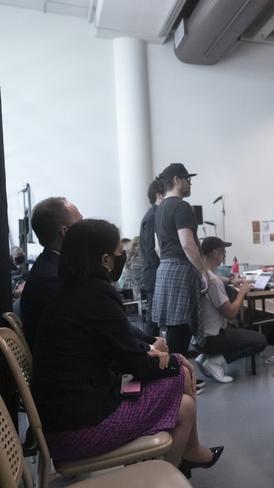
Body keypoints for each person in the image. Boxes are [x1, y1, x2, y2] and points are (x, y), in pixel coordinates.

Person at [30, 219, 221, 476]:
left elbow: (117, 349)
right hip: (79, 430)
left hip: (64, 421)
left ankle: (178, 460)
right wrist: (175, 359)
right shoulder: (97, 293)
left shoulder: (70, 291)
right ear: (106, 260)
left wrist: (149, 354)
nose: (124, 258)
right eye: (120, 254)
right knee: (181, 386)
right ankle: (165, 474)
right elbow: (137, 363)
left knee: (179, 389)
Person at [152, 163, 218, 355]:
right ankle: (177, 378)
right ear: (176, 180)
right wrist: (202, 270)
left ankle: (177, 376)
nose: (190, 184)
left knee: (174, 327)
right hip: (181, 267)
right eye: (187, 179)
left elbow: (157, 247)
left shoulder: (160, 208)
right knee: (181, 327)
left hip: (164, 267)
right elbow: (188, 244)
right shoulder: (181, 206)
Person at [197, 237, 267, 383]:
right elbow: (230, 313)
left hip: (199, 338)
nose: (225, 255)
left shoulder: (201, 275)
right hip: (213, 338)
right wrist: (242, 292)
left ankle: (204, 357)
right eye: (223, 252)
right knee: (259, 341)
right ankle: (214, 361)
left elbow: (216, 279)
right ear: (215, 253)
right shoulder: (214, 282)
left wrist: (231, 281)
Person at [20, 197, 82, 348]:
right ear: (65, 232)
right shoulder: (53, 278)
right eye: (81, 223)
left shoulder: (52, 266)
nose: (87, 229)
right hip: (65, 367)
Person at [140, 178, 164, 336]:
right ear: (158, 195)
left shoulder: (155, 214)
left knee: (155, 318)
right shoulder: (153, 216)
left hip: (155, 273)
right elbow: (151, 250)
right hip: (154, 275)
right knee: (154, 319)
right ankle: (149, 354)